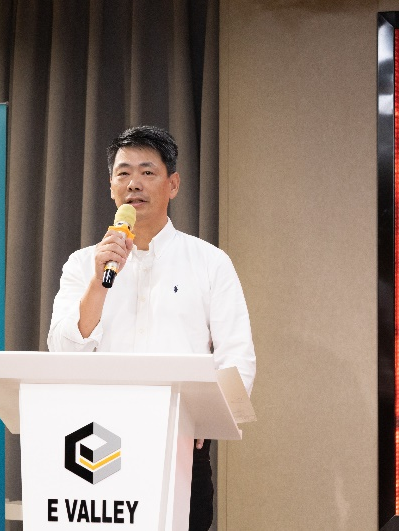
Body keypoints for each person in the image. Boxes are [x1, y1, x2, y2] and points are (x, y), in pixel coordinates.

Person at [47, 125, 256, 531]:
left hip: (180, 441)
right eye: (123, 173)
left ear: (173, 184)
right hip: (95, 440)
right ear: (111, 186)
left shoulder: (209, 262)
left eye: (147, 172)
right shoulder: (83, 264)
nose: (134, 184)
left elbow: (237, 355)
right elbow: (63, 350)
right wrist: (98, 282)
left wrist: (210, 419)